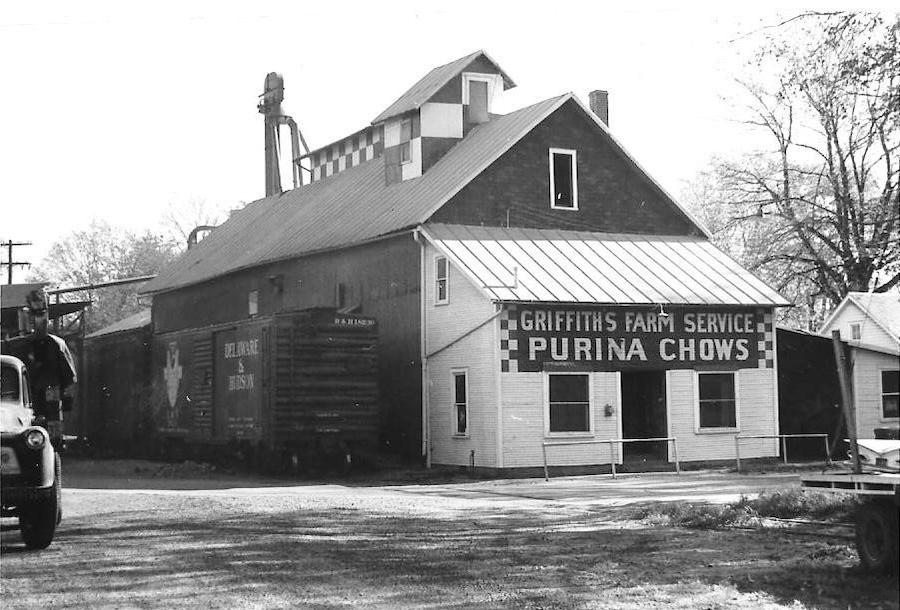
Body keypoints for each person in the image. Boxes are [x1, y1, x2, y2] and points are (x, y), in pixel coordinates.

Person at [2, 289, 77, 448]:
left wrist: (67, 400)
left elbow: (69, 377)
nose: (38, 319)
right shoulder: (17, 345)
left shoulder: (56, 345)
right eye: (35, 314)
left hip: (48, 394)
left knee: (51, 440)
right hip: (24, 396)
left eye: (41, 313)